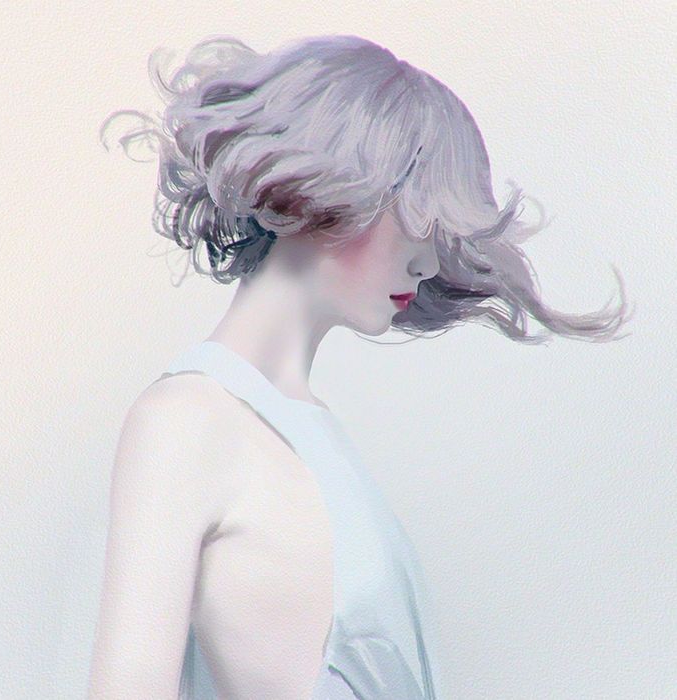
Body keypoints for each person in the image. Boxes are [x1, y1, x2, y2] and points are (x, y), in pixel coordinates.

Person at [89, 34, 630, 699]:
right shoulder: (184, 423)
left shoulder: (315, 435)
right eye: (415, 220)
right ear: (319, 191)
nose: (428, 263)